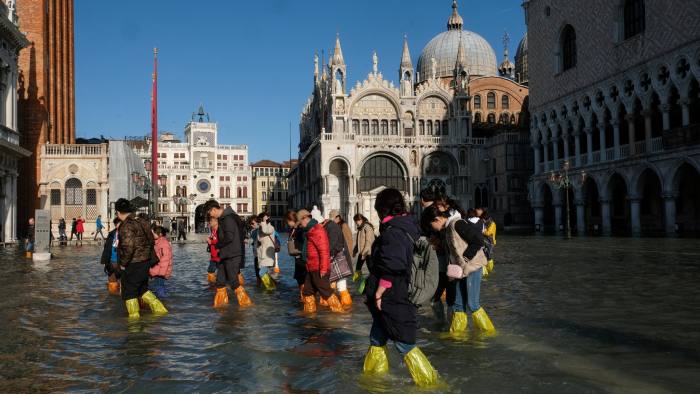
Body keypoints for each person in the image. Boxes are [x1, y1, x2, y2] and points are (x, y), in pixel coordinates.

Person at [362, 188, 439, 387]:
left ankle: (430, 384)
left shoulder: (393, 232)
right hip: (395, 292)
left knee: (404, 343)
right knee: (377, 338)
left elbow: (394, 264)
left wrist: (380, 291)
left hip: (392, 295)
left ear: (382, 209)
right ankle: (373, 382)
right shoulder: (404, 226)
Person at [421, 205, 495, 336]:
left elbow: (478, 241)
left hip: (472, 268)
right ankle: (457, 335)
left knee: (473, 304)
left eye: (431, 225)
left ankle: (489, 333)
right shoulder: (448, 227)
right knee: (458, 305)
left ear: (437, 219)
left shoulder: (457, 224)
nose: (432, 229)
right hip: (459, 271)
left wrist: (465, 258)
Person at [114, 198, 168, 319]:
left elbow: (128, 246)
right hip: (145, 262)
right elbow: (151, 240)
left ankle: (134, 321)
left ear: (118, 212)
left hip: (133, 264)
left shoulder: (126, 226)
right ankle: (160, 310)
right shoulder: (142, 222)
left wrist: (123, 264)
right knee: (142, 290)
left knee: (130, 294)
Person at [204, 200, 252, 308]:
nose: (210, 216)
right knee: (220, 282)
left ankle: (246, 306)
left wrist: (216, 245)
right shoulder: (225, 218)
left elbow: (229, 237)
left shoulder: (228, 218)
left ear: (214, 210)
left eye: (209, 213)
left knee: (233, 282)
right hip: (225, 254)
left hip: (232, 254)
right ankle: (221, 306)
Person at [297, 209, 343, 313]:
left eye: (300, 222)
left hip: (319, 268)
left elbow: (324, 251)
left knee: (326, 291)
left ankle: (340, 313)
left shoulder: (317, 230)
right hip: (311, 267)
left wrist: (323, 269)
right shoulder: (310, 231)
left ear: (305, 219)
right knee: (307, 292)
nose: (300, 224)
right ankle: (309, 314)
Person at [322, 211, 353, 307]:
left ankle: (345, 306)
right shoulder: (335, 226)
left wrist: (349, 253)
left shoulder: (340, 226)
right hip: (340, 256)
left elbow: (348, 240)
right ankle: (345, 307)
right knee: (338, 284)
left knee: (341, 285)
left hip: (340, 257)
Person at [285, 210, 306, 302]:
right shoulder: (293, 229)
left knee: (302, 278)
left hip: (302, 257)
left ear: (291, 220)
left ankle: (305, 298)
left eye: (287, 222)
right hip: (297, 258)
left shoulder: (300, 229)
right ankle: (302, 297)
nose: (287, 224)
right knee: (299, 278)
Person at [150, 225, 173, 299]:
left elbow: (165, 260)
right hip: (157, 270)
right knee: (157, 287)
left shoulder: (163, 244)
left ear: (160, 234)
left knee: (159, 288)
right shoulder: (157, 242)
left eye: (153, 233)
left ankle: (162, 301)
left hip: (160, 271)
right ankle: (161, 300)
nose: (152, 234)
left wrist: (161, 273)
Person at [255, 212, 277, 290]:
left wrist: (264, 222)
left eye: (263, 219)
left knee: (261, 273)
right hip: (261, 255)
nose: (261, 221)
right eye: (261, 219)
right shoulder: (261, 228)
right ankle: (270, 288)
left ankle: (271, 288)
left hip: (267, 255)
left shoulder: (271, 228)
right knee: (265, 273)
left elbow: (265, 231)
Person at [100, 218, 122, 295]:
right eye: (116, 224)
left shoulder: (127, 234)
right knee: (112, 282)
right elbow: (106, 248)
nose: (118, 226)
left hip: (122, 262)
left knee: (123, 283)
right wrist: (105, 261)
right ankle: (113, 300)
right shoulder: (112, 234)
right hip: (111, 261)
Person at [352, 214, 375, 285]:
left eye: (357, 221)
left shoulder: (367, 227)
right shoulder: (360, 228)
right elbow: (358, 241)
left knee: (371, 269)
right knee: (358, 269)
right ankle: (358, 284)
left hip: (368, 253)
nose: (356, 223)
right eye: (355, 221)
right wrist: (355, 251)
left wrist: (364, 253)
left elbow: (368, 242)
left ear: (361, 220)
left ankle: (374, 283)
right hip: (362, 252)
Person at [481, 208, 496, 274]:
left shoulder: (492, 223)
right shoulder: (483, 222)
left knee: (489, 256)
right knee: (484, 255)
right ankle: (484, 270)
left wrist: (482, 231)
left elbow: (488, 233)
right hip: (484, 241)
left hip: (490, 242)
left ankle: (489, 269)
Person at [206, 216, 219, 284]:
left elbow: (220, 241)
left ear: (216, 222)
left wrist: (211, 241)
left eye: (211, 221)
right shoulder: (213, 230)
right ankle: (211, 286)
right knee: (210, 271)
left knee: (221, 272)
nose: (209, 222)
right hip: (213, 255)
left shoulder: (219, 230)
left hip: (218, 256)